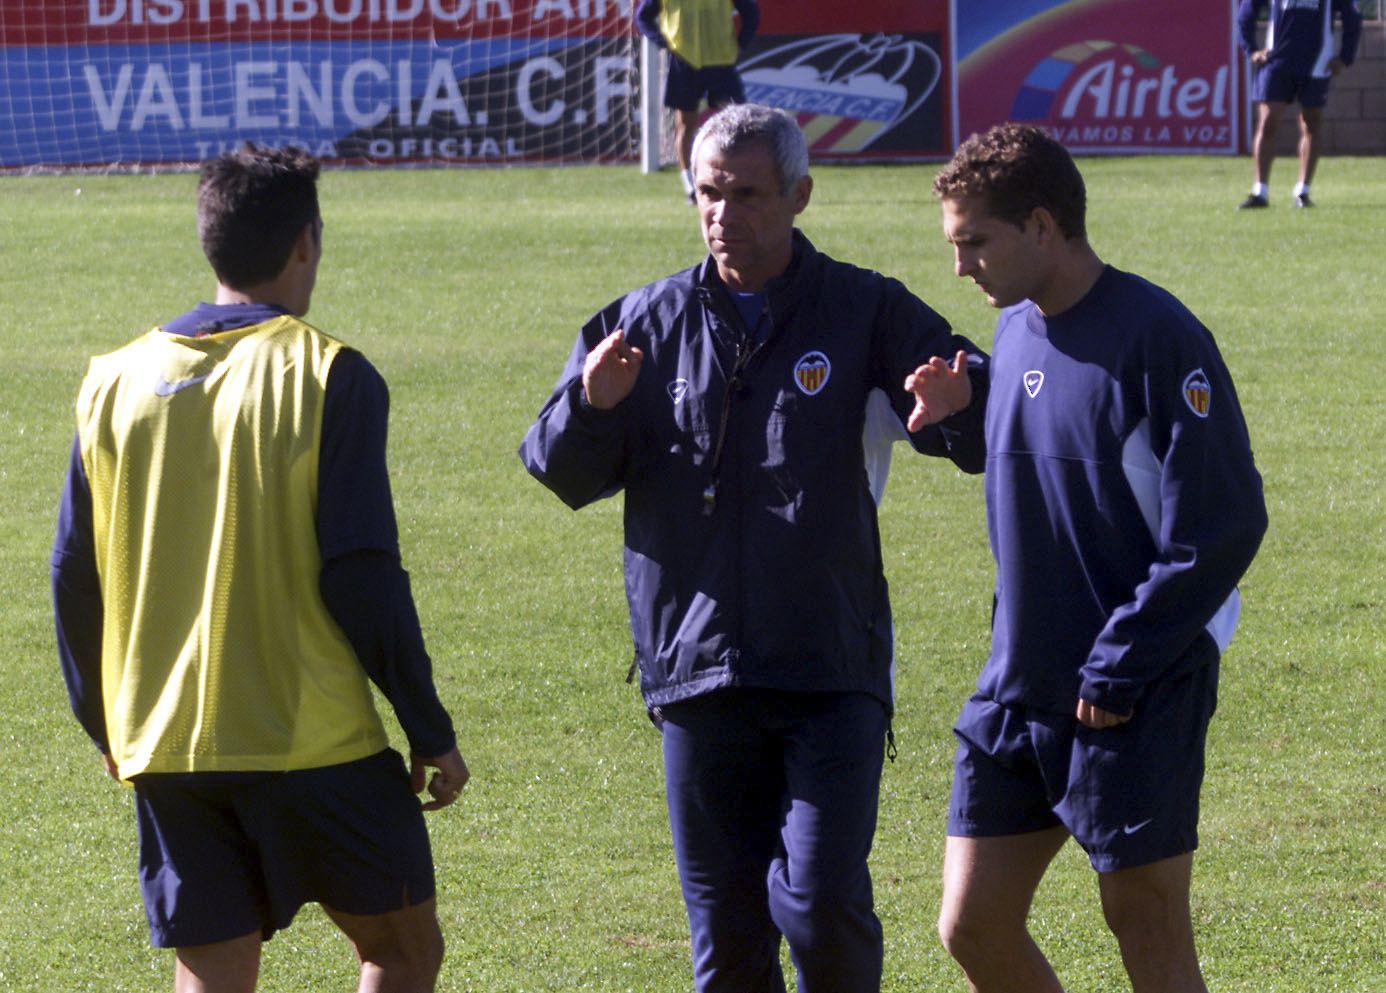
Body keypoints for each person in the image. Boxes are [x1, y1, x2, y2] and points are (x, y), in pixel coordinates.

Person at [519, 103, 987, 993]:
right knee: (727, 946)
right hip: (697, 672)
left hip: (827, 665)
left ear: (801, 194)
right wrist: (593, 405)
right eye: (707, 193)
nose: (722, 213)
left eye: (746, 194)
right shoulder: (642, 324)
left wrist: (959, 409)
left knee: (817, 901)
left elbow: (972, 400)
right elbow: (558, 466)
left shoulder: (865, 307)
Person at [51, 143, 470, 993]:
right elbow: (361, 575)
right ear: (306, 242)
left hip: (166, 741)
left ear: (210, 241)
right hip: (311, 736)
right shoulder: (330, 375)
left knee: (213, 967)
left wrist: (108, 724)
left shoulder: (112, 382)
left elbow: (72, 575)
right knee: (400, 948)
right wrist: (427, 726)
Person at [930, 123, 1268, 993]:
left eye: (975, 242)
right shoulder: (1014, 330)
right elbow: (1044, 463)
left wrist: (1120, 663)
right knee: (972, 922)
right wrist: (965, 413)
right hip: (1016, 680)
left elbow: (1223, 524)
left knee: (1146, 930)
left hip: (1131, 688)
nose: (960, 266)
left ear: (1042, 226)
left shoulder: (1158, 337)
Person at [1237, 0, 1362, 209]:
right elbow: (1246, 13)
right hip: (1276, 64)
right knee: (1267, 122)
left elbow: (1353, 18)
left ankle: (1303, 191)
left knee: (1311, 123)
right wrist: (1251, 50)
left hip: (1317, 63)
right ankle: (1260, 191)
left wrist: (1344, 57)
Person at [635, 0, 760, 203]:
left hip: (721, 61)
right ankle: (691, 187)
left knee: (739, 124)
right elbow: (643, 18)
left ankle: (739, 180)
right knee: (685, 126)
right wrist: (664, 43)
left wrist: (741, 42)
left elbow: (751, 12)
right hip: (684, 61)